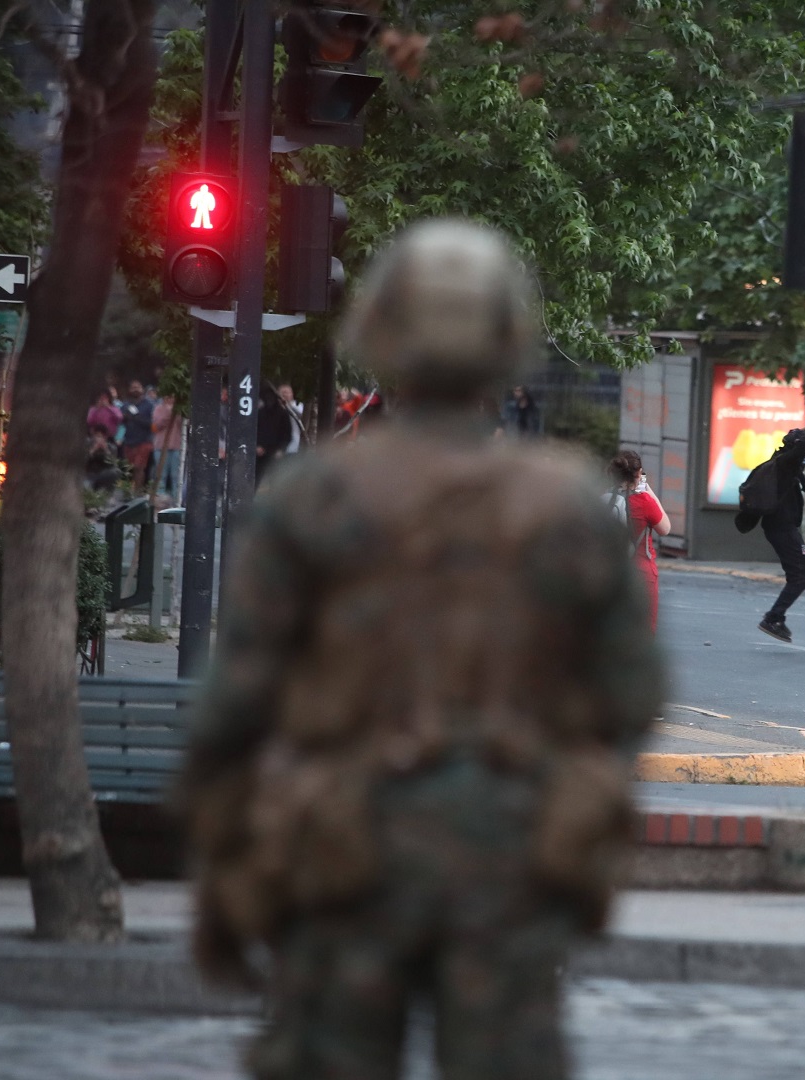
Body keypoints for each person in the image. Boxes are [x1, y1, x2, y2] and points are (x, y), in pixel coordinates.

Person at [177, 220, 663, 1080]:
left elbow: (236, 706)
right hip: (511, 857)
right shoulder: (565, 506)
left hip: (342, 848)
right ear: (510, 341)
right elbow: (629, 697)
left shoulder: (315, 496)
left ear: (380, 330)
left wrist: (223, 873)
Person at [735, 419, 805, 642]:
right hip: (782, 529)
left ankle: (776, 617)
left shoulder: (781, 461)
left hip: (782, 529)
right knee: (802, 574)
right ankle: (773, 618)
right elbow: (802, 444)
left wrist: (804, 430)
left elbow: (793, 437)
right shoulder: (786, 464)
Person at [608, 449, 670, 630]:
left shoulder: (605, 498)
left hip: (611, 572)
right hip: (642, 573)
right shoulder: (644, 501)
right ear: (638, 473)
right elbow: (665, 528)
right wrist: (647, 488)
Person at [118, 380, 157, 494]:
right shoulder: (125, 404)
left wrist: (137, 417)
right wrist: (125, 417)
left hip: (144, 441)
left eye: (137, 387)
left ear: (142, 389)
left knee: (139, 468)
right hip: (129, 440)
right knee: (128, 468)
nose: (135, 389)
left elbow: (152, 424)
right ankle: (127, 492)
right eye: (133, 387)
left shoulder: (149, 405)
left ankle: (138, 493)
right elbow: (121, 421)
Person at [255, 383, 293, 483]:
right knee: (255, 479)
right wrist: (257, 446)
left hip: (275, 453)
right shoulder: (260, 412)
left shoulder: (283, 413)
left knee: (275, 481)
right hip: (260, 453)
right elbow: (254, 430)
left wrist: (281, 449)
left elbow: (287, 434)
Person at [152, 394, 184, 498]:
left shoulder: (180, 410)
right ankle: (160, 498)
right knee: (161, 475)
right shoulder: (158, 408)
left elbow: (182, 424)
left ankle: (176, 498)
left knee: (176, 476)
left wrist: (177, 412)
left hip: (176, 446)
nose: (170, 399)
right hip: (161, 446)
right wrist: (169, 413)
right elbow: (157, 425)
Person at [277, 382, 304, 454]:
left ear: (292, 394)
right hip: (278, 444)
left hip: (294, 442)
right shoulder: (275, 407)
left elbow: (301, 413)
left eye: (287, 392)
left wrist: (288, 405)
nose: (285, 395)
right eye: (283, 392)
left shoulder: (297, 405)